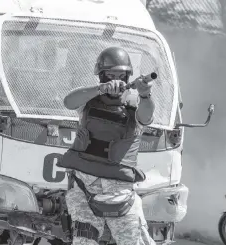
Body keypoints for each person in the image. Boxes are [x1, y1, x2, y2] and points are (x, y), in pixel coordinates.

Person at [57, 47, 156, 245]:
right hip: (84, 184)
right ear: (101, 75)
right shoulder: (89, 99)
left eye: (121, 75)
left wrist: (145, 95)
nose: (116, 80)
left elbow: (146, 117)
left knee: (133, 240)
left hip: (119, 189)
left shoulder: (134, 103)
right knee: (84, 240)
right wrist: (100, 89)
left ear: (128, 75)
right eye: (110, 75)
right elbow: (68, 101)